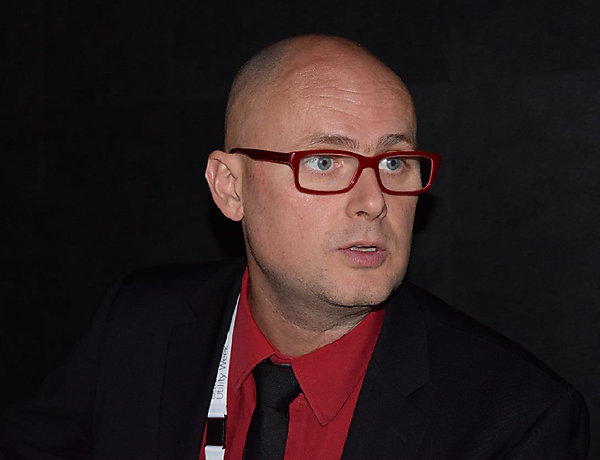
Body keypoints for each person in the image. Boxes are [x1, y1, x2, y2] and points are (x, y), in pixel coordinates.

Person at [0, 35, 589, 459]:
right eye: (326, 161)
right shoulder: (138, 322)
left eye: (394, 163)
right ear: (231, 188)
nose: (373, 201)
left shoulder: (518, 421)